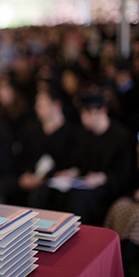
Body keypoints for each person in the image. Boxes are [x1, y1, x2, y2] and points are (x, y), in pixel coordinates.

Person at [52, 91, 134, 225]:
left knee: (78, 198)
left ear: (103, 111)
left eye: (89, 113)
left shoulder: (122, 137)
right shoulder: (81, 134)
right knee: (56, 193)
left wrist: (103, 177)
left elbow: (124, 174)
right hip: (83, 181)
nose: (84, 118)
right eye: (82, 113)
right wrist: (72, 172)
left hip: (107, 187)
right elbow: (78, 163)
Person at [13, 87, 74, 207]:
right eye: (37, 104)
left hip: (53, 183)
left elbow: (69, 163)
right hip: (31, 176)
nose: (37, 108)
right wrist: (25, 174)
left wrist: (43, 179)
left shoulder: (70, 134)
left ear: (56, 105)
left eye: (42, 105)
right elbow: (24, 157)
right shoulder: (31, 130)